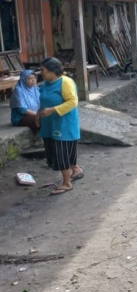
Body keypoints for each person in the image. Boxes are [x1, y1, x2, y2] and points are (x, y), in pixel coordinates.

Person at [37, 57, 83, 196]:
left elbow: (72, 102)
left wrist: (51, 110)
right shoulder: (46, 83)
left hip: (64, 123)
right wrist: (38, 115)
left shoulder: (65, 82)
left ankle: (66, 183)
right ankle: (76, 169)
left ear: (52, 71)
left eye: (43, 70)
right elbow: (44, 100)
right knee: (57, 150)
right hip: (50, 123)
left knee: (61, 152)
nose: (41, 72)